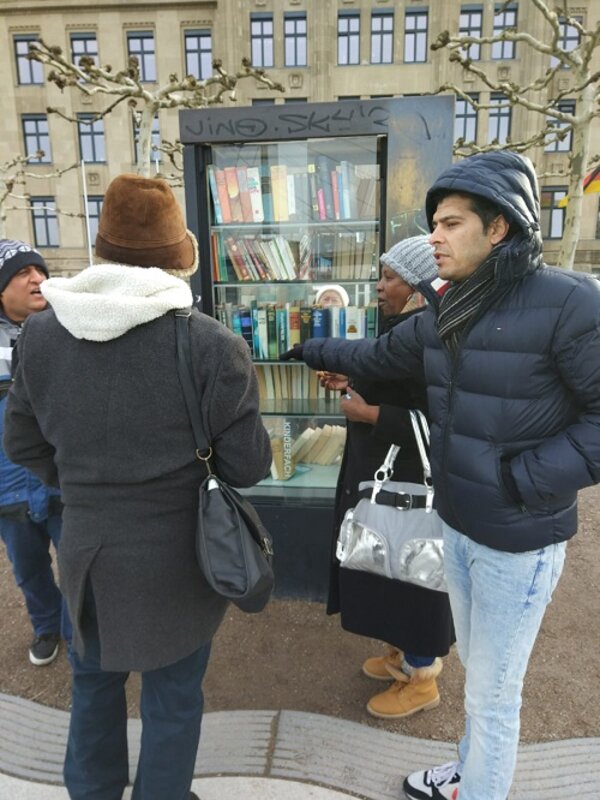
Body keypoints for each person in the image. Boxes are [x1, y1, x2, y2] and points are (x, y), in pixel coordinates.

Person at [283, 151, 600, 800]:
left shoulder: (570, 303)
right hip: (455, 527)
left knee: (492, 694)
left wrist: (523, 480)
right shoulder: (446, 312)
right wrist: (302, 348)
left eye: (451, 223)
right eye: (434, 224)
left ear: (499, 228)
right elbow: (373, 355)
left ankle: (478, 788)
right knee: (480, 682)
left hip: (518, 544)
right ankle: (468, 771)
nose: (435, 237)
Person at [3, 174, 272, 800]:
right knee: (173, 699)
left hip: (88, 546)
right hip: (180, 556)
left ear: (102, 249)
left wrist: (81, 485)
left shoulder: (41, 334)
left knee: (93, 685)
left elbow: (21, 443)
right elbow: (248, 466)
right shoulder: (211, 345)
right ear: (177, 258)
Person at [320, 235, 454, 719]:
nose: (379, 286)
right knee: (389, 568)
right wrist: (352, 381)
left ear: (418, 288)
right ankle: (402, 654)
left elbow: (442, 423)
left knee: (414, 575)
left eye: (390, 277)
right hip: (386, 478)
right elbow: (399, 390)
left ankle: (422, 678)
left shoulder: (430, 338)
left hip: (410, 484)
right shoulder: (405, 330)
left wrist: (369, 413)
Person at [0, 238, 70, 666]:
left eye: (40, 270)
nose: (37, 278)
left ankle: (80, 635)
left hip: (62, 477)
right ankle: (47, 626)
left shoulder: (67, 329)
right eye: (23, 272)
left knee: (79, 563)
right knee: (28, 570)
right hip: (7, 487)